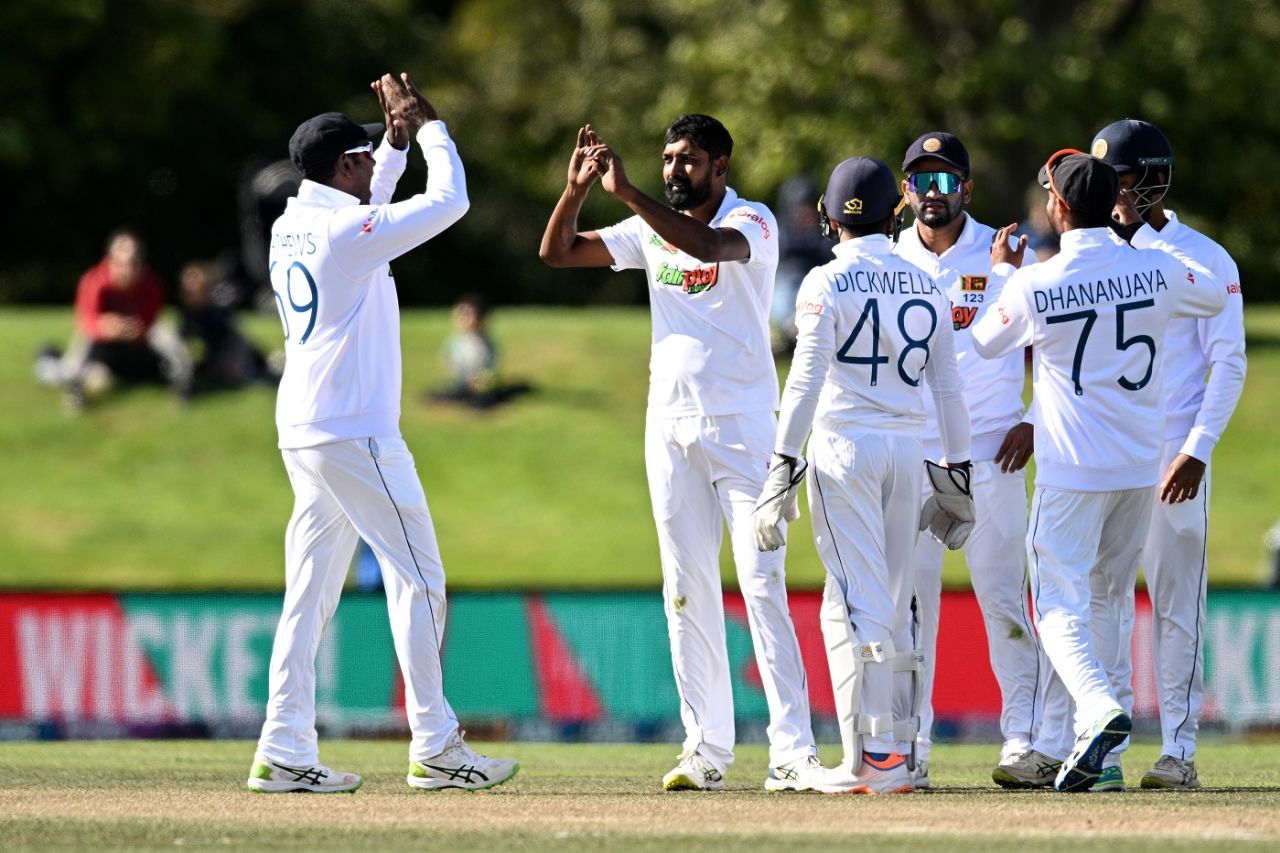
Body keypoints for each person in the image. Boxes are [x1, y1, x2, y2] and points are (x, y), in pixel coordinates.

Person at [248, 72, 518, 794]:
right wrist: (428, 128)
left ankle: (283, 745)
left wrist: (391, 150)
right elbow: (449, 201)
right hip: (353, 428)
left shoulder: (295, 222)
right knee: (421, 578)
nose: (372, 163)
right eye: (363, 156)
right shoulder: (344, 232)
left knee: (309, 594)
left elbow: (366, 207)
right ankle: (435, 742)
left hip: (304, 428)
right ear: (343, 167)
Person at [539, 115, 823, 792]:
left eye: (688, 160)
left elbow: (703, 246)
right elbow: (557, 252)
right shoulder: (648, 228)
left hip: (745, 428)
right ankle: (706, 748)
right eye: (668, 158)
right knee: (685, 589)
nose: (674, 170)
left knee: (761, 584)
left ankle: (792, 751)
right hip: (668, 427)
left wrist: (631, 193)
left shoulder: (752, 220)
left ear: (720, 166)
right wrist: (576, 189)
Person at [971, 150, 1228, 792]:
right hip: (1141, 468)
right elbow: (1212, 292)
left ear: (1058, 207)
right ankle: (1105, 759)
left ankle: (1098, 711)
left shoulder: (1037, 281)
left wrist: (1005, 273)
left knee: (1057, 600)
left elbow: (982, 342)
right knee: (1109, 599)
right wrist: (1153, 245)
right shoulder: (1157, 269)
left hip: (1072, 470)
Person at [753, 157, 972, 795]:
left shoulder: (823, 281)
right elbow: (949, 390)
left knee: (861, 605)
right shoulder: (927, 282)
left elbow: (805, 379)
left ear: (826, 218)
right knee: (881, 600)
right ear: (895, 210)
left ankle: (875, 761)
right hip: (908, 452)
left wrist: (780, 466)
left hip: (844, 447)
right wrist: (958, 473)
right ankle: (898, 750)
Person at [1090, 118, 1246, 790]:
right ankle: (1106, 749)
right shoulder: (1089, 251)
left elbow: (1229, 362)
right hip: (1105, 456)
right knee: (1104, 600)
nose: (1113, 196)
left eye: (1120, 181)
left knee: (1178, 604)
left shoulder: (1206, 257)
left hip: (1172, 457)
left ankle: (1177, 749)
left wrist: (1198, 449)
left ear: (1153, 180)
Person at [891, 132, 1045, 791]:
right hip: (914, 458)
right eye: (920, 181)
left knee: (1004, 603)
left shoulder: (1005, 251)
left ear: (968, 189)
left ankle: (1025, 741)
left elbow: (1060, 349)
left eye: (946, 180)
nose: (933, 193)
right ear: (903, 192)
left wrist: (1035, 420)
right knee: (909, 611)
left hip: (991, 456)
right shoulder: (884, 257)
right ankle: (907, 747)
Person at [37, 230, 192, 410]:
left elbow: (151, 319)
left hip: (139, 345)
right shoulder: (94, 282)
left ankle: (183, 385)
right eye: (121, 263)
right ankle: (70, 387)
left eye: (133, 263)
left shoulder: (151, 284)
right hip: (104, 346)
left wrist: (135, 329)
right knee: (83, 351)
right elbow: (87, 321)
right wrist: (105, 328)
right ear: (110, 261)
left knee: (166, 335)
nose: (127, 270)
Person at [177, 260, 278, 392]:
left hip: (232, 353)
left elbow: (230, 339)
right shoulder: (186, 317)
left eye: (198, 288)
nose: (193, 291)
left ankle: (267, 368)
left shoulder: (215, 313)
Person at [426, 292, 531, 409]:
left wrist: (483, 379)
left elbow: (492, 365)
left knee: (485, 400)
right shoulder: (455, 341)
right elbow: (449, 361)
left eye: (471, 315)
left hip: (483, 384)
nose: (469, 320)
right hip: (463, 384)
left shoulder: (487, 342)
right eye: (464, 315)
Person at [769, 174, 833, 354]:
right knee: (787, 293)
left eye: (809, 208)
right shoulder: (779, 232)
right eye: (801, 208)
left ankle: (795, 333)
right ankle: (788, 332)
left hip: (814, 287)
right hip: (785, 286)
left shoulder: (825, 234)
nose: (806, 214)